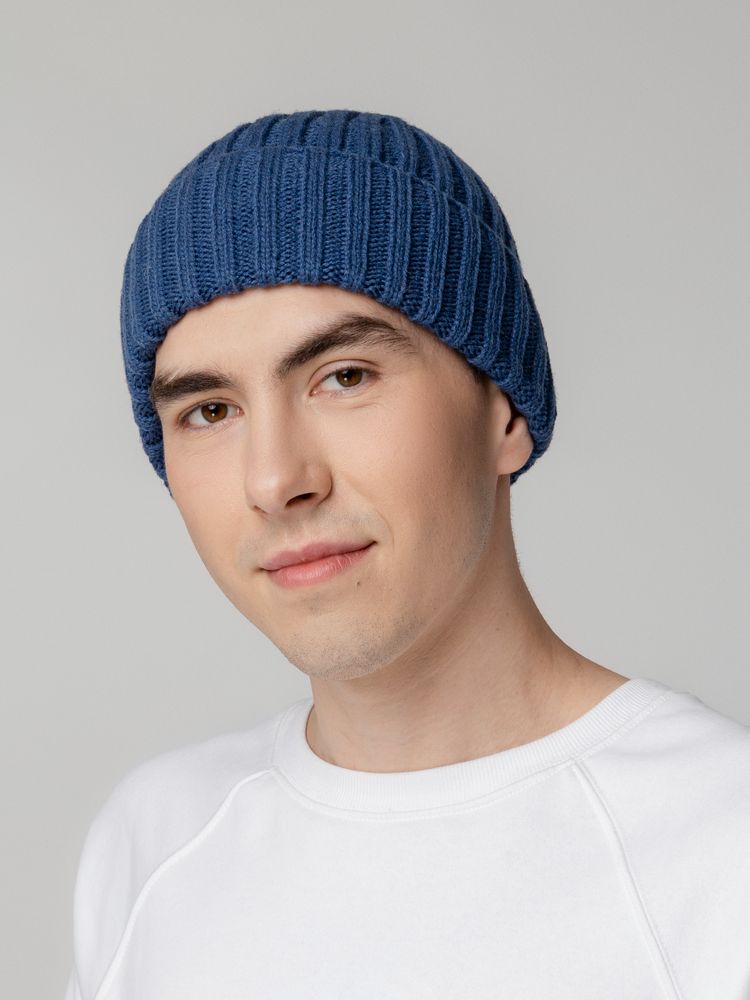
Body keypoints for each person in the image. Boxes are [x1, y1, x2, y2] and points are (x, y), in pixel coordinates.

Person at [65, 109, 750, 1000]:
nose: (275, 480)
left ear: (504, 410)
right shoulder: (151, 844)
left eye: (344, 376)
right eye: (210, 411)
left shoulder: (720, 843)